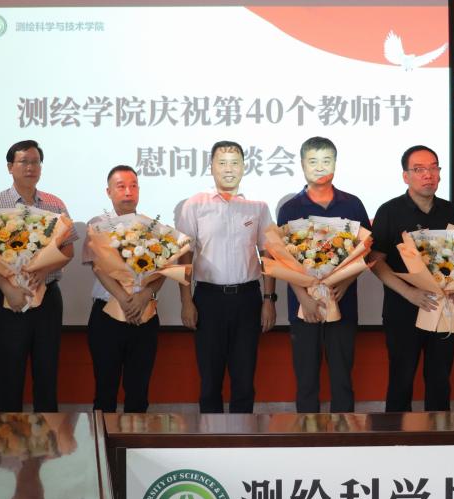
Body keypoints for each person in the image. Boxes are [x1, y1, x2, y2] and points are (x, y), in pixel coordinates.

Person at [176, 140, 276, 413]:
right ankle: (211, 434)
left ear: (244, 167)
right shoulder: (195, 205)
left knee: (244, 378)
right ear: (211, 167)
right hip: (208, 299)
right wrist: (186, 301)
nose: (228, 169)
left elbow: (268, 255)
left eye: (235, 163)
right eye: (222, 163)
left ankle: (243, 435)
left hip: (247, 298)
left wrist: (269, 299)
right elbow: (184, 257)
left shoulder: (258, 207)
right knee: (210, 379)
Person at [0, 140, 77, 413]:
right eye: (24, 161)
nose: (30, 167)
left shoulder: (55, 204)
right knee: (8, 373)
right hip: (9, 297)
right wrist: (8, 289)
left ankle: (46, 435)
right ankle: (5, 434)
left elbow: (68, 249)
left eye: (35, 162)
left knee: (46, 372)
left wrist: (44, 270)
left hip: (47, 297)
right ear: (10, 167)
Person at [277, 136, 370, 413]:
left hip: (342, 303)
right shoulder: (290, 208)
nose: (320, 167)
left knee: (343, 379)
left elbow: (365, 252)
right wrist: (303, 298)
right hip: (304, 308)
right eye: (313, 161)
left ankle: (345, 433)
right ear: (302, 164)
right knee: (306, 381)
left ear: (336, 163)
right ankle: (307, 435)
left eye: (326, 160)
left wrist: (346, 281)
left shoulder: (352, 205)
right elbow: (283, 260)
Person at [369, 145, 454, 412]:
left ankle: (439, 433)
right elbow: (375, 261)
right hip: (403, 310)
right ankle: (396, 435)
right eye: (419, 169)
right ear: (406, 176)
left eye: (433, 168)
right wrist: (409, 292)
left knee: (440, 382)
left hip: (443, 308)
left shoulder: (451, 211)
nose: (428, 175)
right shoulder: (389, 211)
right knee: (401, 382)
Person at [81, 165, 164, 413]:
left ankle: (133, 439)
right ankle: (104, 439)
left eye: (133, 186)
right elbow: (98, 267)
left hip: (145, 314)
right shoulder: (97, 225)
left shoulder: (153, 227)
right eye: (121, 186)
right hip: (107, 314)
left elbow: (163, 271)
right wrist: (124, 300)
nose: (128, 192)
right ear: (108, 192)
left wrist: (144, 296)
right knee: (105, 391)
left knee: (138, 392)